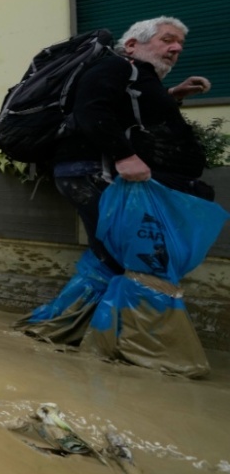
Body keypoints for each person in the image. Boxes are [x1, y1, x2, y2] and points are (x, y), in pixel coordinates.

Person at [52, 16, 212, 280]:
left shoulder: (136, 75)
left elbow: (127, 111)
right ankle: (126, 316)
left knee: (122, 258)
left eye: (180, 44)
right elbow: (91, 110)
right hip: (97, 173)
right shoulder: (117, 66)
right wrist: (125, 156)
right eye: (167, 40)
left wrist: (172, 95)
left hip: (102, 174)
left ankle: (104, 316)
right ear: (131, 45)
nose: (177, 48)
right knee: (131, 259)